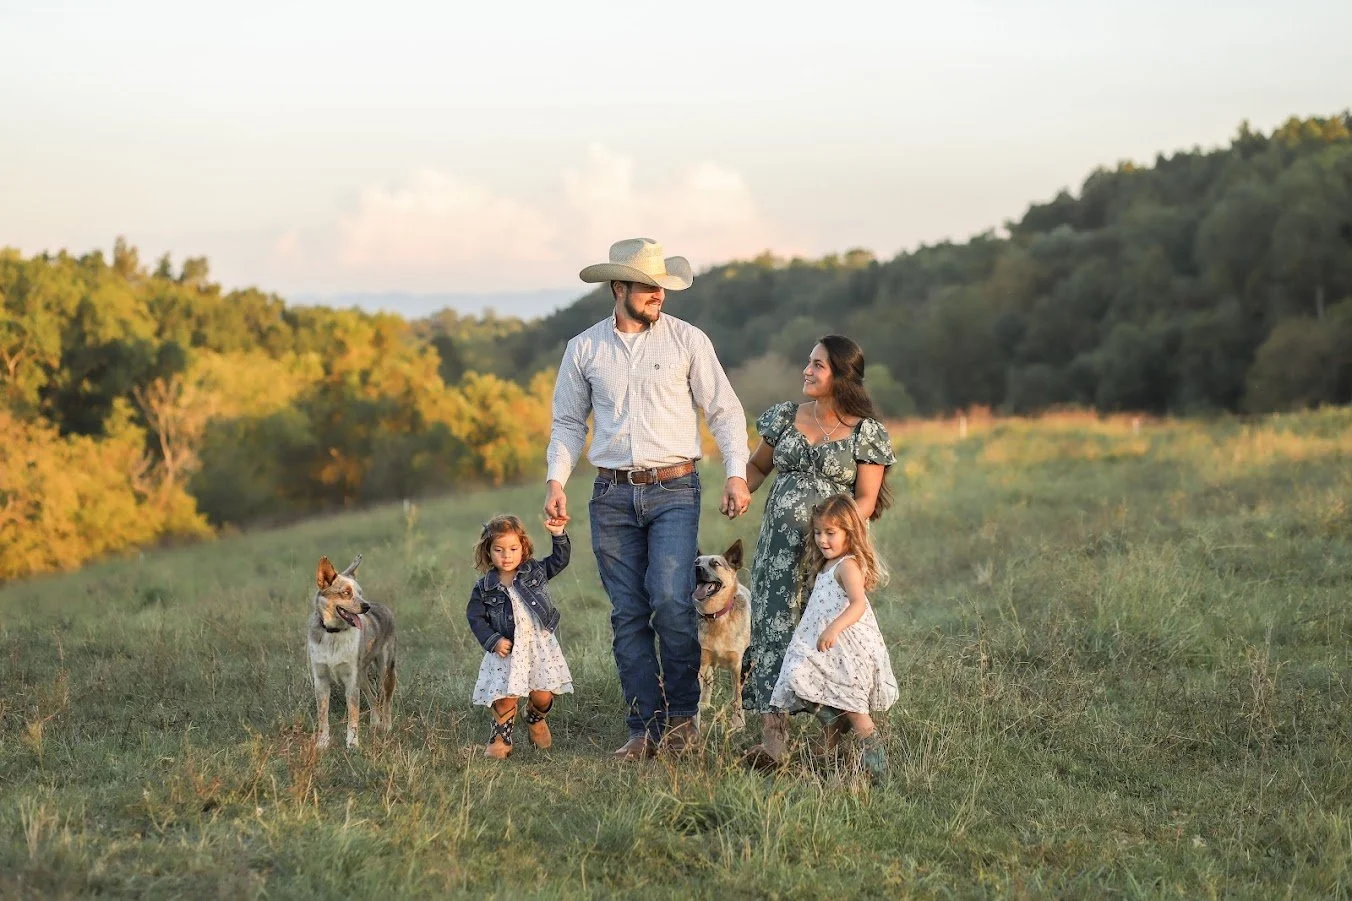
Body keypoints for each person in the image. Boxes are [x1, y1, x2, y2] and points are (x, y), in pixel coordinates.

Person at [544, 237, 751, 761]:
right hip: (610, 494)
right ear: (619, 288)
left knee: (669, 598)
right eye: (648, 285)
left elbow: (723, 410)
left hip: (675, 488)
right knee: (628, 614)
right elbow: (569, 422)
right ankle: (643, 728)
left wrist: (736, 473)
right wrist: (555, 481)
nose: (659, 293)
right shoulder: (584, 349)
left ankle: (683, 719)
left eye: (663, 285)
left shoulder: (687, 341)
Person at [741, 335, 896, 768]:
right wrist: (741, 489)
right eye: (808, 363)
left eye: (818, 365)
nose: (807, 371)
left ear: (841, 376)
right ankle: (773, 742)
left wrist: (835, 542)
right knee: (773, 632)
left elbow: (866, 499)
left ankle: (831, 743)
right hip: (776, 552)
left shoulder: (867, 434)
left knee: (827, 640)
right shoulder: (787, 418)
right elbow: (757, 467)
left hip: (828, 557)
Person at [768, 494, 898, 779]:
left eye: (830, 533)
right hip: (831, 650)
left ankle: (880, 773)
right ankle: (831, 743)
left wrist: (833, 628)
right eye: (817, 533)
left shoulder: (847, 566)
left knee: (856, 711)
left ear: (849, 533)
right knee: (797, 677)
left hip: (848, 650)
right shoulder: (827, 564)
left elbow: (858, 604)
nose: (822, 540)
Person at [467, 513, 574, 760]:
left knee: (543, 694)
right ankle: (500, 737)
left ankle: (535, 719)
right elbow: (476, 618)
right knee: (505, 696)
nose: (507, 556)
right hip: (506, 649)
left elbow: (560, 560)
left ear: (523, 547)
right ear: (488, 552)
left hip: (538, 646)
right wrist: (493, 640)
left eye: (513, 548)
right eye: (499, 550)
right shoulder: (483, 588)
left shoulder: (534, 572)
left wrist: (558, 534)